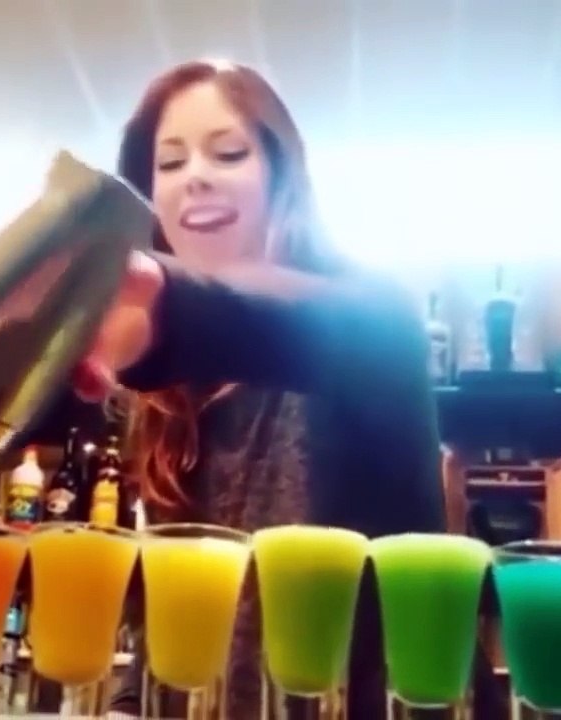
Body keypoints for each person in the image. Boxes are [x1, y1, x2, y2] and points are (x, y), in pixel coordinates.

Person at [68, 60, 447, 719]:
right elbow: (169, 608)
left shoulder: (370, 319)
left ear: (282, 176)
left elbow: (291, 322)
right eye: (171, 163)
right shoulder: (166, 399)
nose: (196, 177)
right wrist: (127, 706)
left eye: (229, 153)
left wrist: (158, 304)